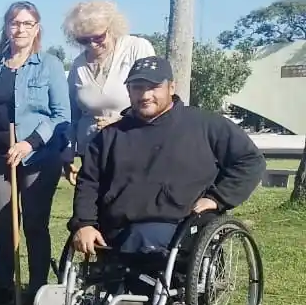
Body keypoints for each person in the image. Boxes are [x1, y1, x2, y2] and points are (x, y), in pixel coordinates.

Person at [71, 55, 264, 258]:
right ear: (128, 91)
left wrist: (218, 198)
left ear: (171, 88)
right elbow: (89, 182)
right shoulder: (109, 136)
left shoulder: (205, 125)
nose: (145, 95)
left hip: (178, 229)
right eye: (137, 87)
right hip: (115, 229)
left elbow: (250, 161)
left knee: (144, 238)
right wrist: (84, 224)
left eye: (153, 87)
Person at [0, 1, 70, 305]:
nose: (20, 29)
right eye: (14, 23)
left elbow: (61, 115)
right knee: (4, 222)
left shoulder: (49, 65)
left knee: (34, 222)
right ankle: (4, 287)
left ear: (36, 29)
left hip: (37, 158)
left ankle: (37, 291)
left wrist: (30, 143)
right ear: (6, 28)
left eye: (27, 23)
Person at [63, 0, 155, 184]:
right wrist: (67, 155)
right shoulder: (78, 64)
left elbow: (154, 98)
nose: (92, 45)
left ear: (112, 28)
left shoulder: (136, 48)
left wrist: (122, 120)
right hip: (91, 152)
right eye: (83, 40)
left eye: (98, 37)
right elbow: (71, 113)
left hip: (132, 146)